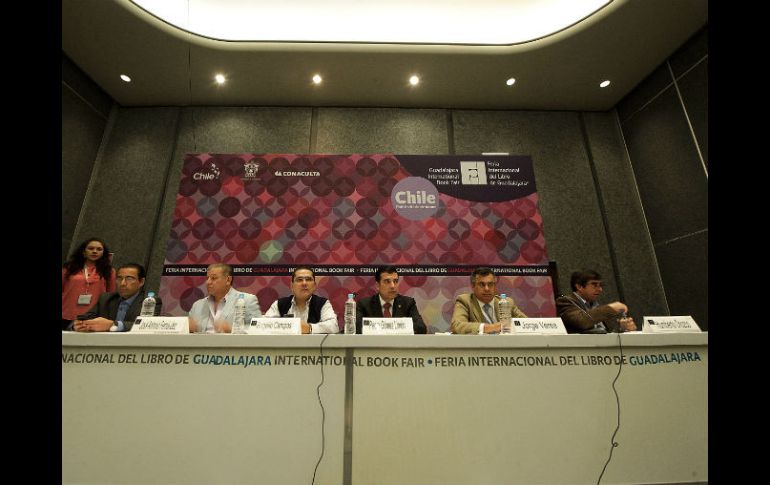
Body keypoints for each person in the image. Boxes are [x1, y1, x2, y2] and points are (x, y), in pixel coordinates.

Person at [69, 263, 161, 332]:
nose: (123, 283)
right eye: (119, 278)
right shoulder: (106, 299)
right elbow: (85, 317)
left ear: (141, 282)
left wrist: (113, 325)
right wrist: (78, 325)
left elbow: (148, 326)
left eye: (129, 279)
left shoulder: (150, 301)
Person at [556, 269, 636, 333]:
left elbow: (606, 332)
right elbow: (582, 321)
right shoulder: (565, 302)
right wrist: (610, 308)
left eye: (600, 285)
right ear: (579, 286)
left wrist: (622, 329)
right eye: (594, 285)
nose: (600, 289)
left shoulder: (595, 306)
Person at [188, 263, 261, 333]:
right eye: (207, 278)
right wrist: (186, 328)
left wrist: (231, 329)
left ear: (228, 280)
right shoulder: (197, 305)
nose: (208, 282)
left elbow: (259, 328)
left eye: (213, 278)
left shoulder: (247, 300)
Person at [263, 266, 339, 334]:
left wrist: (309, 328)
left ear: (314, 286)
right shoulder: (279, 304)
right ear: (292, 286)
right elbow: (263, 325)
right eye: (299, 280)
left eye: (308, 279)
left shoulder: (323, 303)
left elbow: (333, 326)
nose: (304, 283)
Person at [450, 267, 526, 334]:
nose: (487, 289)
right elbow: (457, 325)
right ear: (473, 286)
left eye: (490, 284)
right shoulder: (465, 301)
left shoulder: (507, 302)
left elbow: (527, 323)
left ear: (495, 286)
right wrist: (491, 327)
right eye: (482, 284)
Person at [62, 237, 116, 330]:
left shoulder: (109, 271)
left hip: (94, 315)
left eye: (99, 249)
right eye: (91, 248)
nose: (94, 251)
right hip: (67, 313)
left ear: (103, 253)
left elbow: (110, 294)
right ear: (83, 252)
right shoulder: (69, 268)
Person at [355, 265, 426, 334]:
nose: (393, 286)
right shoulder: (364, 305)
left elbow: (421, 328)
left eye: (395, 281)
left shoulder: (408, 303)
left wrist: (383, 327)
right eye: (387, 281)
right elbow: (355, 328)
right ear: (377, 285)